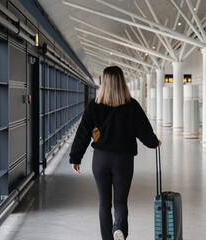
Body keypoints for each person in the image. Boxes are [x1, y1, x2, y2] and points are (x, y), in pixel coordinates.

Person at [69, 66, 161, 240]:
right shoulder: (131, 105)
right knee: (120, 201)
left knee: (104, 203)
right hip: (123, 160)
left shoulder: (94, 106)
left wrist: (76, 157)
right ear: (122, 82)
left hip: (101, 159)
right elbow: (144, 131)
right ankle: (119, 229)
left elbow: (83, 133)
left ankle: (107, 238)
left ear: (104, 82)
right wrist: (154, 142)